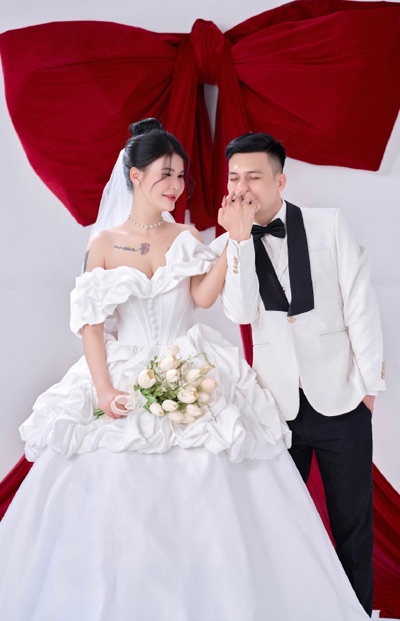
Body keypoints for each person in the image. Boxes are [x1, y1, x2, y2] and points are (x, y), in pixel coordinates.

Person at [0, 119, 371, 621]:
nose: (176, 185)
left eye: (180, 175)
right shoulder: (104, 242)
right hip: (124, 372)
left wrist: (234, 244)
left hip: (188, 363)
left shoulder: (187, 235)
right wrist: (104, 391)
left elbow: (201, 297)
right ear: (135, 175)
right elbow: (91, 326)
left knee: (214, 484)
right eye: (165, 174)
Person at [218, 131, 386, 617]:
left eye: (253, 176)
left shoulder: (328, 224)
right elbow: (240, 312)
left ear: (280, 180)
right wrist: (239, 242)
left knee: (352, 524)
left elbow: (361, 305)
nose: (242, 188)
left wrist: (369, 390)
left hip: (341, 400)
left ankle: (357, 613)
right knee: (282, 528)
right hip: (275, 408)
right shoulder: (230, 243)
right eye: (234, 178)